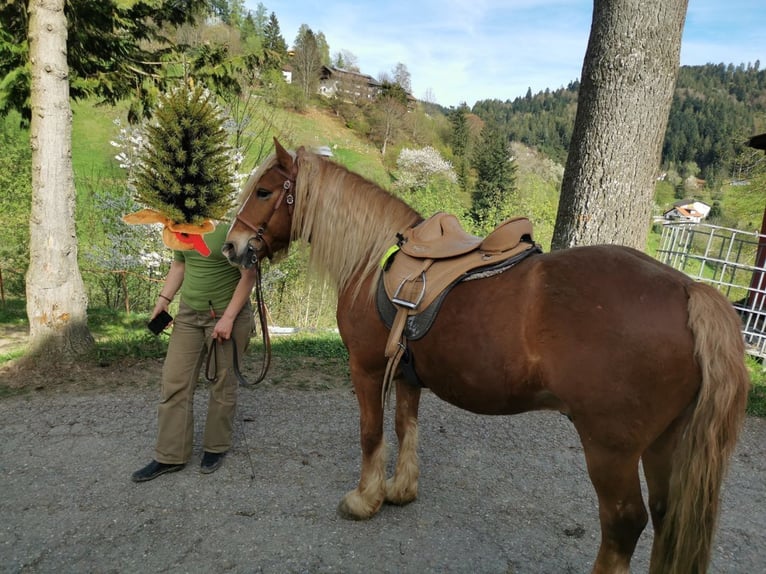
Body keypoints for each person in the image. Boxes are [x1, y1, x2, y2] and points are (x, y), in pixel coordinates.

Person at [132, 222, 257, 482]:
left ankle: (216, 447)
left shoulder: (234, 225)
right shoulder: (182, 223)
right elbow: (180, 265)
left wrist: (229, 318)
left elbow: (249, 276)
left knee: (222, 382)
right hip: (189, 314)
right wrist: (163, 301)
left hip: (226, 315)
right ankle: (170, 455)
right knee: (174, 380)